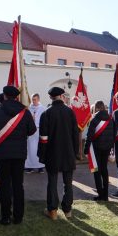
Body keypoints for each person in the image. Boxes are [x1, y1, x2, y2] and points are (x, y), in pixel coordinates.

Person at [0, 86, 36, 225]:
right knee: (18, 185)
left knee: (5, 185)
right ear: (16, 97)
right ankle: (18, 217)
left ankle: (5, 217)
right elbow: (32, 130)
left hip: (2, 154)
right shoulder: (25, 113)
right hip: (19, 154)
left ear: (5, 96)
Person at [38, 87, 79, 220]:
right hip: (68, 152)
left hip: (52, 153)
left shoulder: (46, 113)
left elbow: (43, 138)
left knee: (52, 182)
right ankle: (67, 210)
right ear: (61, 96)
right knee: (68, 182)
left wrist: (42, 155)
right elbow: (75, 135)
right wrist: (75, 152)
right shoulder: (70, 112)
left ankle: (53, 210)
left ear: (51, 97)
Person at [83, 100, 114, 201]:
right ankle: (105, 194)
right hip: (107, 147)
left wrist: (86, 150)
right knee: (104, 169)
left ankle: (100, 194)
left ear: (96, 108)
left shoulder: (94, 119)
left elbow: (90, 136)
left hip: (96, 148)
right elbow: (113, 134)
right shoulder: (110, 119)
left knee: (96, 170)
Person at [25, 93, 46, 173]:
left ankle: (40, 166)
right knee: (30, 149)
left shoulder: (43, 109)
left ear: (38, 99)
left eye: (35, 99)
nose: (33, 101)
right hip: (30, 131)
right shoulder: (28, 109)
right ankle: (29, 166)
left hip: (39, 130)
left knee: (39, 148)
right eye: (32, 99)